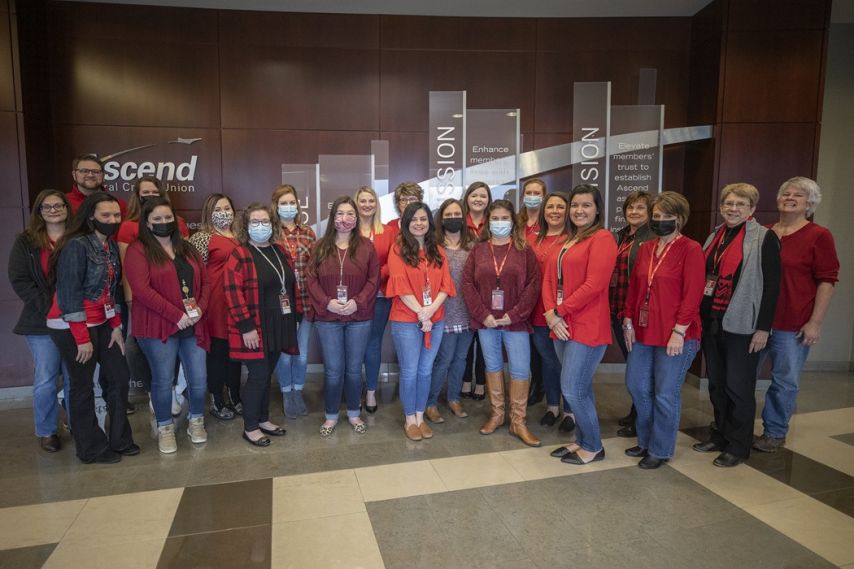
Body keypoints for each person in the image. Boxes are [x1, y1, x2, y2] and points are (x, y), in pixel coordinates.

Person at [694, 183, 781, 467]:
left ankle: (739, 444)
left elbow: (771, 287)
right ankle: (720, 434)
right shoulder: (715, 236)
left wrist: (763, 328)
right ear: (721, 206)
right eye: (729, 203)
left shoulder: (764, 238)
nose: (733, 209)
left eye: (741, 204)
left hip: (744, 325)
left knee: (738, 387)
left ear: (752, 209)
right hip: (713, 321)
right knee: (716, 384)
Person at [47, 193, 137, 464]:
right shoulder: (76, 246)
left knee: (120, 378)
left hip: (102, 322)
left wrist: (116, 327)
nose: (113, 220)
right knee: (82, 386)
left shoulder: (108, 245)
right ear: (90, 217)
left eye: (116, 215)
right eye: (106, 216)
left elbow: (109, 292)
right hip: (71, 326)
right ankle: (91, 448)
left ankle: (120, 439)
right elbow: (69, 295)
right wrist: (81, 338)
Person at [754, 177, 839, 452]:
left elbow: (827, 280)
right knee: (743, 377)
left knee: (784, 381)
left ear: (809, 204)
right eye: (785, 193)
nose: (790, 197)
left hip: (793, 324)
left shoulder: (819, 235)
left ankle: (775, 433)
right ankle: (737, 426)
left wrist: (815, 322)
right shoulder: (763, 232)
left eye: (798, 196)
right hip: (756, 323)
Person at [622, 192, 705, 469]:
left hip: (676, 335)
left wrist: (679, 331)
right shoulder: (646, 248)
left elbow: (693, 295)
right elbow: (634, 290)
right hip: (644, 331)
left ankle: (660, 449)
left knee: (665, 393)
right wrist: (628, 320)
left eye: (665, 217)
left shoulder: (690, 249)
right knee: (636, 385)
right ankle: (645, 440)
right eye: (655, 216)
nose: (659, 221)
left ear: (679, 219)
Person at [125, 198, 210, 454]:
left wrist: (200, 310)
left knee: (199, 379)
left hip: (193, 324)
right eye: (157, 219)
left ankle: (196, 421)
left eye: (168, 218)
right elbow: (141, 289)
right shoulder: (137, 250)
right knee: (163, 381)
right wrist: (176, 315)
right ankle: (165, 428)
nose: (164, 223)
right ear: (147, 223)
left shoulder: (187, 248)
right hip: (158, 326)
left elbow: (205, 283)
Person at [543, 185, 617, 465]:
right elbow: (549, 280)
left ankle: (594, 446)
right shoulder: (567, 239)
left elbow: (594, 285)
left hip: (586, 325)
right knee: (579, 388)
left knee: (573, 388)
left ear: (597, 209)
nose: (579, 210)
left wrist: (559, 311)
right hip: (561, 324)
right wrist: (551, 314)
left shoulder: (602, 238)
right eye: (575, 205)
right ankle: (583, 440)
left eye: (586, 205)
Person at [462, 199, 541, 447]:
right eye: (494, 219)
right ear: (488, 222)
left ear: (513, 221)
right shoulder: (478, 249)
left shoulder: (524, 250)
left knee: (519, 370)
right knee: (493, 366)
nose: (499, 223)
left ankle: (519, 421)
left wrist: (515, 314)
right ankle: (496, 414)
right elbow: (467, 284)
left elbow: (533, 285)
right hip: (486, 322)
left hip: (515, 323)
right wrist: (482, 314)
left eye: (504, 218)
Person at [224, 204, 300, 447]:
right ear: (246, 226)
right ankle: (250, 427)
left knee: (267, 375)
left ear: (273, 224)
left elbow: (289, 286)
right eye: (255, 222)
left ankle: (264, 419)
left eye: (265, 221)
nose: (261, 226)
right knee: (257, 376)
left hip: (280, 323)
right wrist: (246, 327)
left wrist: (295, 318)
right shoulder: (240, 254)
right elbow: (232, 293)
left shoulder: (280, 251)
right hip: (255, 325)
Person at [118, 176, 190, 417]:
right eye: (145, 192)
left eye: (154, 191)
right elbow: (127, 266)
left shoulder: (178, 222)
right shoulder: (129, 226)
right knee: (139, 348)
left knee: (176, 346)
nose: (150, 195)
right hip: (142, 300)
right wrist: (131, 300)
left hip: (177, 301)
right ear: (137, 196)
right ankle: (153, 392)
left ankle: (169, 391)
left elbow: (185, 264)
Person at [306, 196, 379, 437]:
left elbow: (373, 280)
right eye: (339, 213)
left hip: (360, 317)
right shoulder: (320, 246)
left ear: (356, 218)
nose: (344, 218)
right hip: (328, 318)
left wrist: (356, 303)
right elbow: (311, 279)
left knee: (353, 369)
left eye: (349, 214)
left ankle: (354, 412)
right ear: (332, 217)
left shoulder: (367, 247)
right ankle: (331, 415)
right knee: (334, 369)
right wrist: (328, 304)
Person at [8, 190, 72, 453]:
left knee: (74, 377)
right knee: (46, 378)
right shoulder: (26, 241)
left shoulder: (79, 237)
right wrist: (48, 306)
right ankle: (47, 431)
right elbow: (19, 278)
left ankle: (78, 423)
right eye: (47, 206)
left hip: (76, 318)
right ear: (39, 211)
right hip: (40, 320)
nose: (54, 210)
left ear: (67, 208)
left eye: (59, 205)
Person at [388, 202, 454, 440]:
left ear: (429, 222)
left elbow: (446, 285)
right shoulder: (398, 249)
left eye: (423, 219)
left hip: (435, 318)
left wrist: (431, 310)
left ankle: (420, 415)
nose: (419, 223)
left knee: (425, 370)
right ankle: (409, 420)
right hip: (406, 319)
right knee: (409, 371)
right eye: (414, 219)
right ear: (406, 222)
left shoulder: (438, 249)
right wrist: (420, 312)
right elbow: (399, 285)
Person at [189, 193, 243, 420]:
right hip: (215, 305)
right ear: (209, 213)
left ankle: (235, 396)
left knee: (236, 354)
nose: (224, 212)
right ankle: (217, 399)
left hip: (238, 302)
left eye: (227, 207)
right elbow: (193, 272)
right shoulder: (202, 237)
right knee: (218, 354)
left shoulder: (241, 236)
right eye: (218, 209)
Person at [609, 191, 655, 438]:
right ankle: (637, 411)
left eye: (640, 208)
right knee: (634, 363)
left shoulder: (652, 238)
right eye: (631, 208)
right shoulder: (619, 236)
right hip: (617, 309)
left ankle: (643, 418)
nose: (634, 212)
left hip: (637, 314)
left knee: (641, 368)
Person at [427, 199, 475, 423]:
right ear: (441, 218)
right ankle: (431, 402)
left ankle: (454, 398)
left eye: (457, 213)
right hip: (442, 311)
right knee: (444, 359)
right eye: (448, 214)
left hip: (468, 311)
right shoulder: (434, 246)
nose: (453, 218)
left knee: (461, 359)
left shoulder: (472, 245)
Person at [271, 185, 316, 419]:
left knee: (302, 354)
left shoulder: (308, 233)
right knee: (285, 354)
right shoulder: (269, 233)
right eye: (284, 203)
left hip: (306, 304)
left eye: (292, 203)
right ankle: (286, 393)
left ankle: (298, 391)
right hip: (281, 305)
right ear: (276, 207)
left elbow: (316, 267)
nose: (289, 207)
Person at [527, 192, 571, 429]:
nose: (554, 211)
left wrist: (560, 311)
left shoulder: (574, 238)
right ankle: (553, 407)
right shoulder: (535, 239)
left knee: (567, 363)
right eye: (550, 207)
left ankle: (571, 411)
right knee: (549, 361)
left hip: (564, 313)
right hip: (538, 312)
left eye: (560, 207)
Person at [355, 186, 398, 414]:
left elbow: (393, 262)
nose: (367, 205)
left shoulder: (387, 232)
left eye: (371, 200)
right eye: (362, 200)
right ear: (356, 203)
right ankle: (354, 389)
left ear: (376, 204)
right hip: (352, 298)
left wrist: (373, 278)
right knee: (354, 344)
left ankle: (371, 391)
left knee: (372, 343)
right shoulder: (348, 230)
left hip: (379, 295)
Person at [460, 181, 492, 400]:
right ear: (467, 198)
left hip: (489, 289)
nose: (478, 199)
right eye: (474, 195)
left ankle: (481, 382)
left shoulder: (495, 222)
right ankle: (465, 380)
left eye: (483, 195)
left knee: (484, 340)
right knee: (465, 339)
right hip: (463, 287)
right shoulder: (459, 222)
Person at [518, 178, 547, 405]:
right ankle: (533, 384)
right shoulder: (517, 223)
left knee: (542, 346)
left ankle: (544, 386)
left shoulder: (549, 222)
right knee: (526, 344)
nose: (532, 196)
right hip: (519, 292)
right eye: (528, 192)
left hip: (544, 292)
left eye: (537, 192)